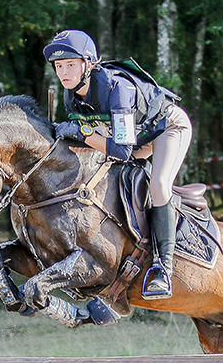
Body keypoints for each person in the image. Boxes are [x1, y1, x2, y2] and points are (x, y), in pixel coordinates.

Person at [43, 29, 192, 300]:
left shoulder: (117, 89)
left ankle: (162, 269)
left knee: (159, 185)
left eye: (70, 65)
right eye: (59, 66)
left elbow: (121, 151)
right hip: (136, 139)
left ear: (88, 64)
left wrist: (85, 134)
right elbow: (93, 145)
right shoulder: (71, 95)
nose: (64, 72)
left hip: (167, 128)